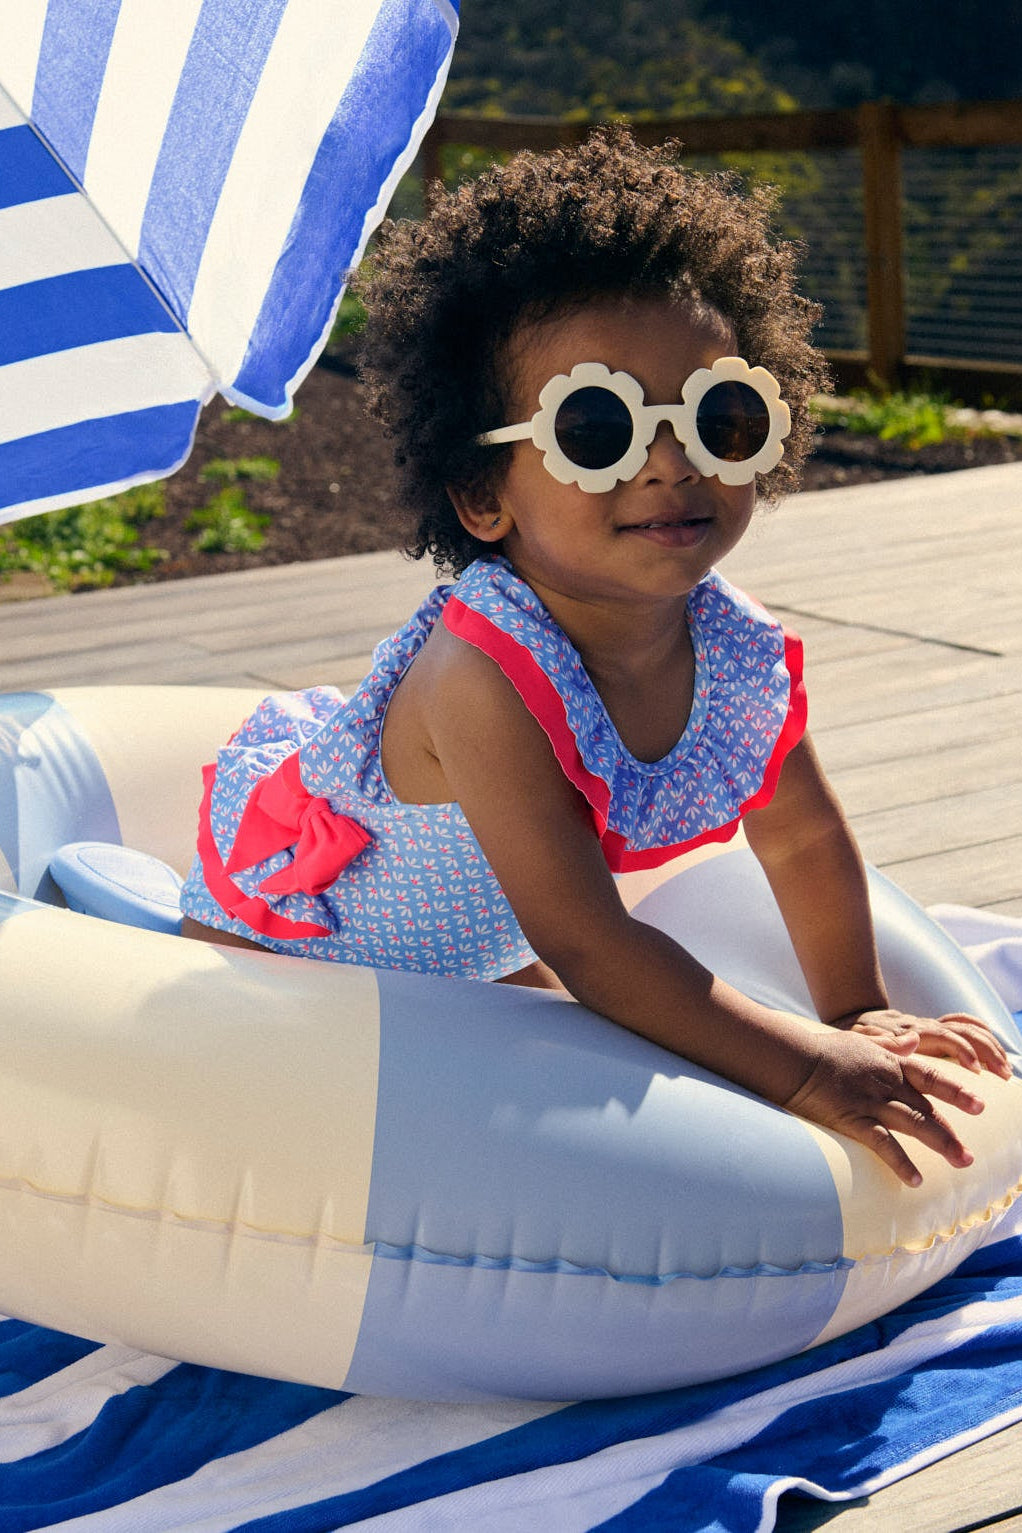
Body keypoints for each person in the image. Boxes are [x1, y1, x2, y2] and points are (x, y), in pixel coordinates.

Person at [180, 129, 1010, 1185]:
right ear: (481, 497)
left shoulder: (733, 646)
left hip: (482, 949)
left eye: (718, 416)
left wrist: (854, 1008)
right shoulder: (476, 679)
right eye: (594, 428)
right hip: (306, 942)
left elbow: (798, 841)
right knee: (249, 1095)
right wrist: (806, 1072)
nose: (670, 462)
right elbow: (590, 943)